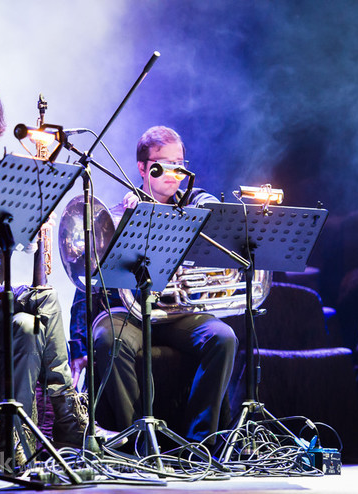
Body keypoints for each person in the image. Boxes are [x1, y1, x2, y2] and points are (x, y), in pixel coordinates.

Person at [0, 79, 117, 449]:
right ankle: (68, 415)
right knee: (46, 301)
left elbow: (8, 243)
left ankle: (15, 442)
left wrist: (28, 229)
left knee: (29, 325)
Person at [69, 125, 238, 446]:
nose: (173, 172)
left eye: (179, 163)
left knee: (222, 337)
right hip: (127, 313)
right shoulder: (117, 215)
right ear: (143, 168)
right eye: (163, 163)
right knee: (107, 340)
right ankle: (138, 440)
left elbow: (207, 203)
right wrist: (77, 344)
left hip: (177, 313)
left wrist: (199, 205)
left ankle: (199, 443)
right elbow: (87, 283)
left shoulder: (194, 206)